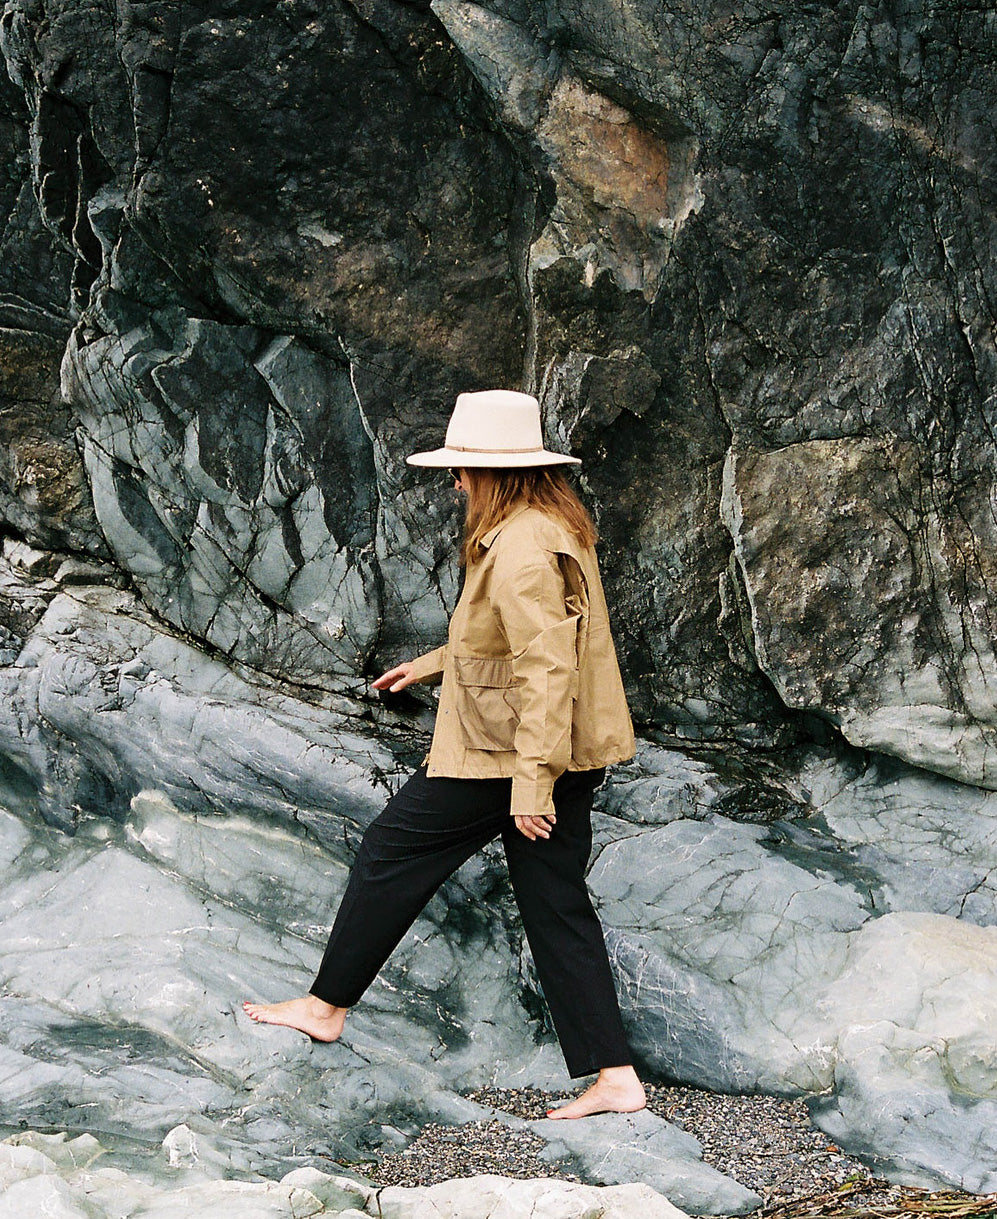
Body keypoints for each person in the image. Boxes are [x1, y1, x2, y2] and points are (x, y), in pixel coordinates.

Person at [244, 389, 645, 1120]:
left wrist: (530, 782)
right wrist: (433, 662)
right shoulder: (554, 523)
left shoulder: (521, 544)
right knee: (555, 904)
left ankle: (324, 1005)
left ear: (496, 472)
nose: (454, 482)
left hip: (506, 754)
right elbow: (534, 638)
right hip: (568, 749)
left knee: (389, 855)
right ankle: (616, 1077)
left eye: (461, 469)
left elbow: (546, 667)